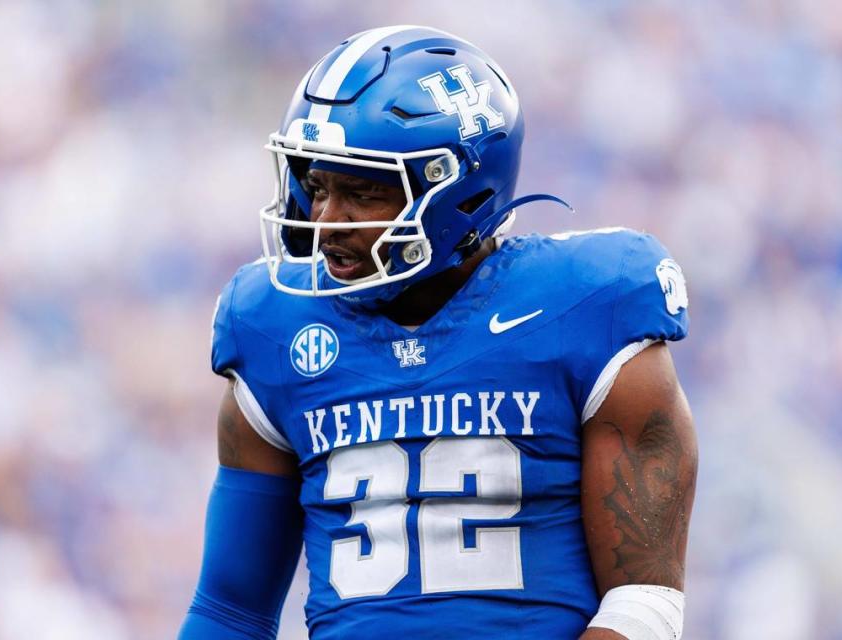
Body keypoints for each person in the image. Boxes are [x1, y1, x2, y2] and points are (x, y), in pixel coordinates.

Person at [179, 25, 697, 640]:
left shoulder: (589, 305)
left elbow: (644, 604)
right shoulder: (272, 327)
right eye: (316, 185)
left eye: (362, 192)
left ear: (460, 190)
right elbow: (229, 612)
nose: (324, 219)